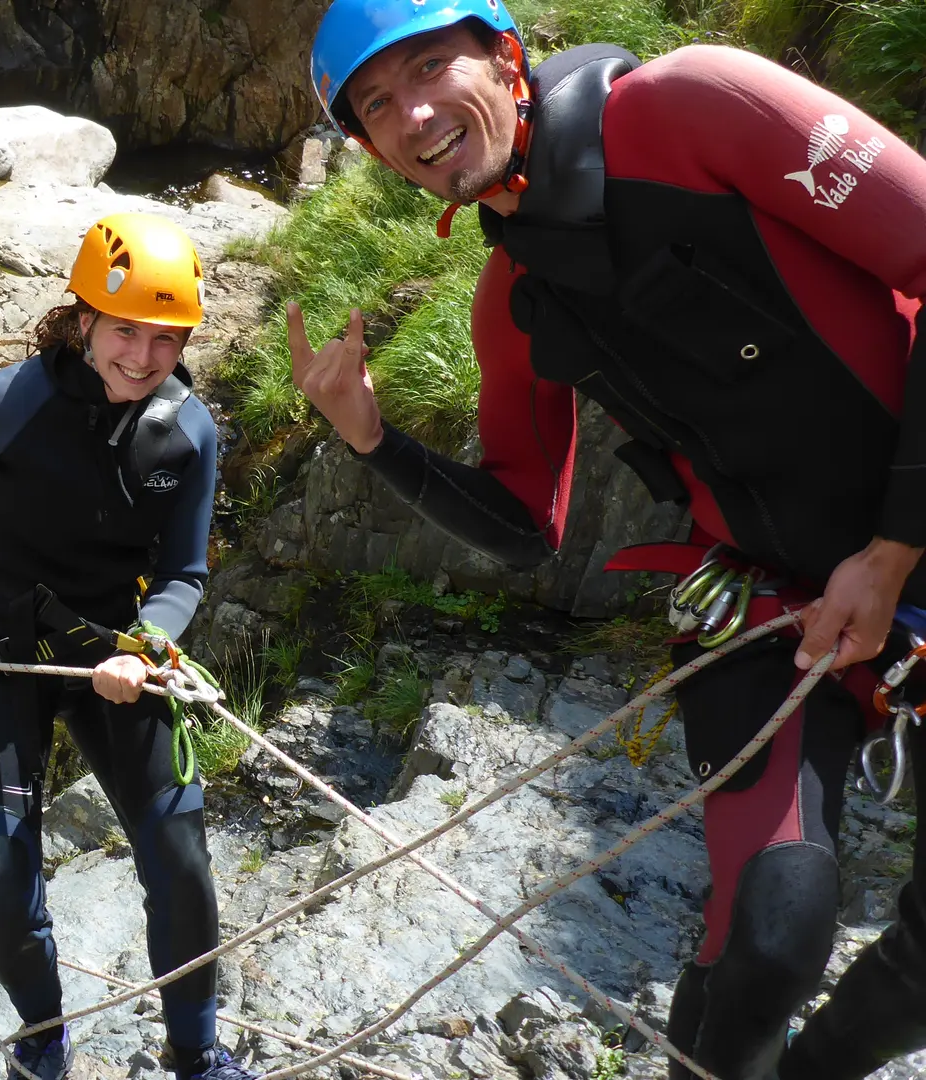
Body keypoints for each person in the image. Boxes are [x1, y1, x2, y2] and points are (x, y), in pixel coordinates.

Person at [298, 1, 926, 1077]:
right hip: (767, 603)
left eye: (430, 65)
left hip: (901, 549)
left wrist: (892, 554)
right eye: (374, 106)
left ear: (506, 58)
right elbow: (522, 525)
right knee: (771, 937)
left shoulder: (698, 108)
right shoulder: (517, 301)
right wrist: (370, 441)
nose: (411, 113)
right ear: (372, 151)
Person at [0, 213, 255, 1080]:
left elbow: (186, 573)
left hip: (111, 650)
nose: (145, 356)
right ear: (82, 320)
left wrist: (149, 645)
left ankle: (197, 1055)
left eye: (166, 337)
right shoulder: (8, 401)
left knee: (181, 858)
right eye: (125, 330)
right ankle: (44, 1044)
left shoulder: (187, 432)